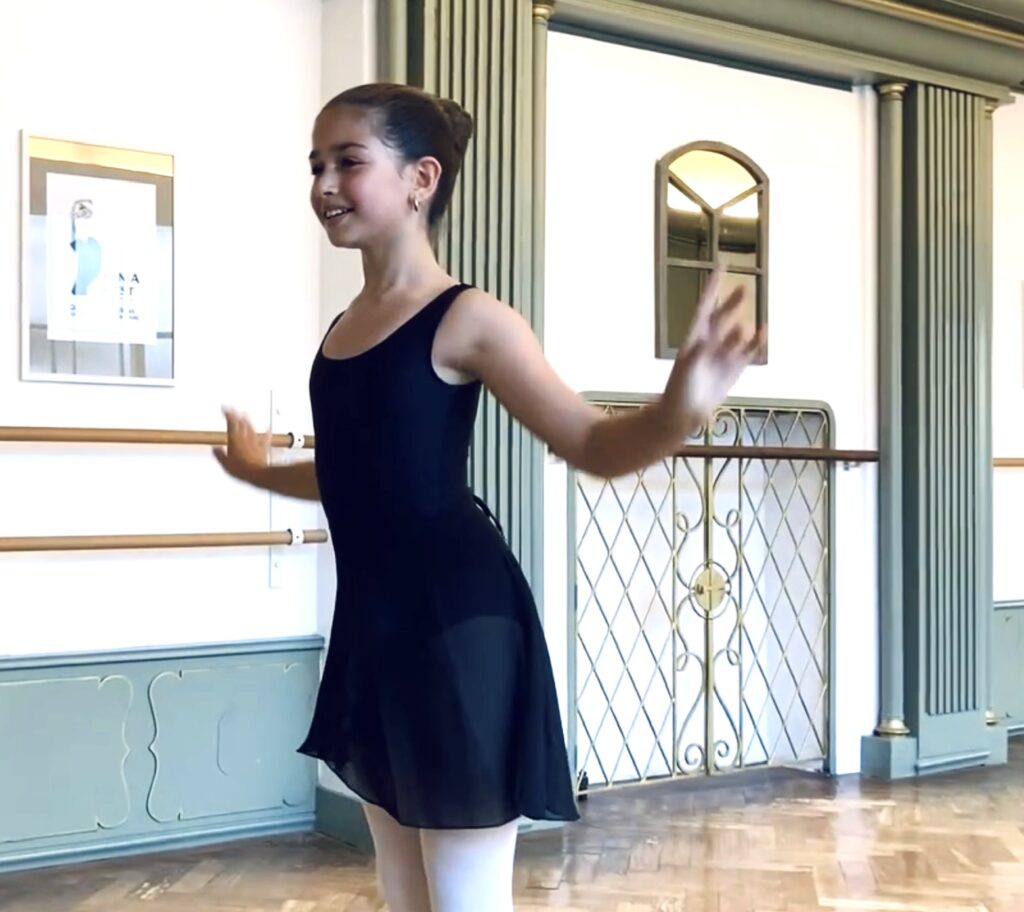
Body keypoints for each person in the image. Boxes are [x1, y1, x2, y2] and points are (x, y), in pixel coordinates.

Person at [213, 82, 764, 912]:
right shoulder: (342, 328)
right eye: (317, 166)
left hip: (458, 629)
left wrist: (678, 412)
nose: (324, 185)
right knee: (405, 894)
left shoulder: (471, 319)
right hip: (377, 627)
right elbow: (360, 473)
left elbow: (590, 441)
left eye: (348, 163)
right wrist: (261, 472)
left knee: (465, 898)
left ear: (420, 178)